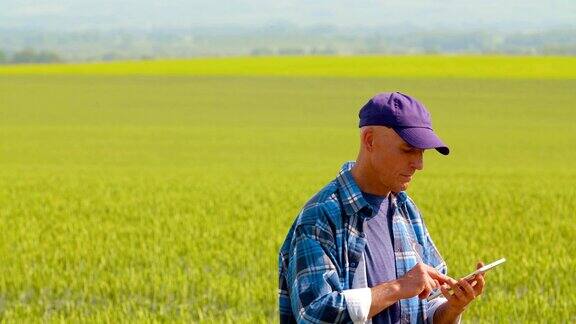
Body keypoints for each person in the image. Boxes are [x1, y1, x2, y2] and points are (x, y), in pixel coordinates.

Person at [278, 92, 487, 323]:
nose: (419, 164)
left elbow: (427, 305)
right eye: (408, 149)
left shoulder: (407, 211)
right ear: (369, 140)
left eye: (422, 152)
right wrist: (398, 287)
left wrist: (452, 307)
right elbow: (314, 314)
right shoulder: (321, 217)